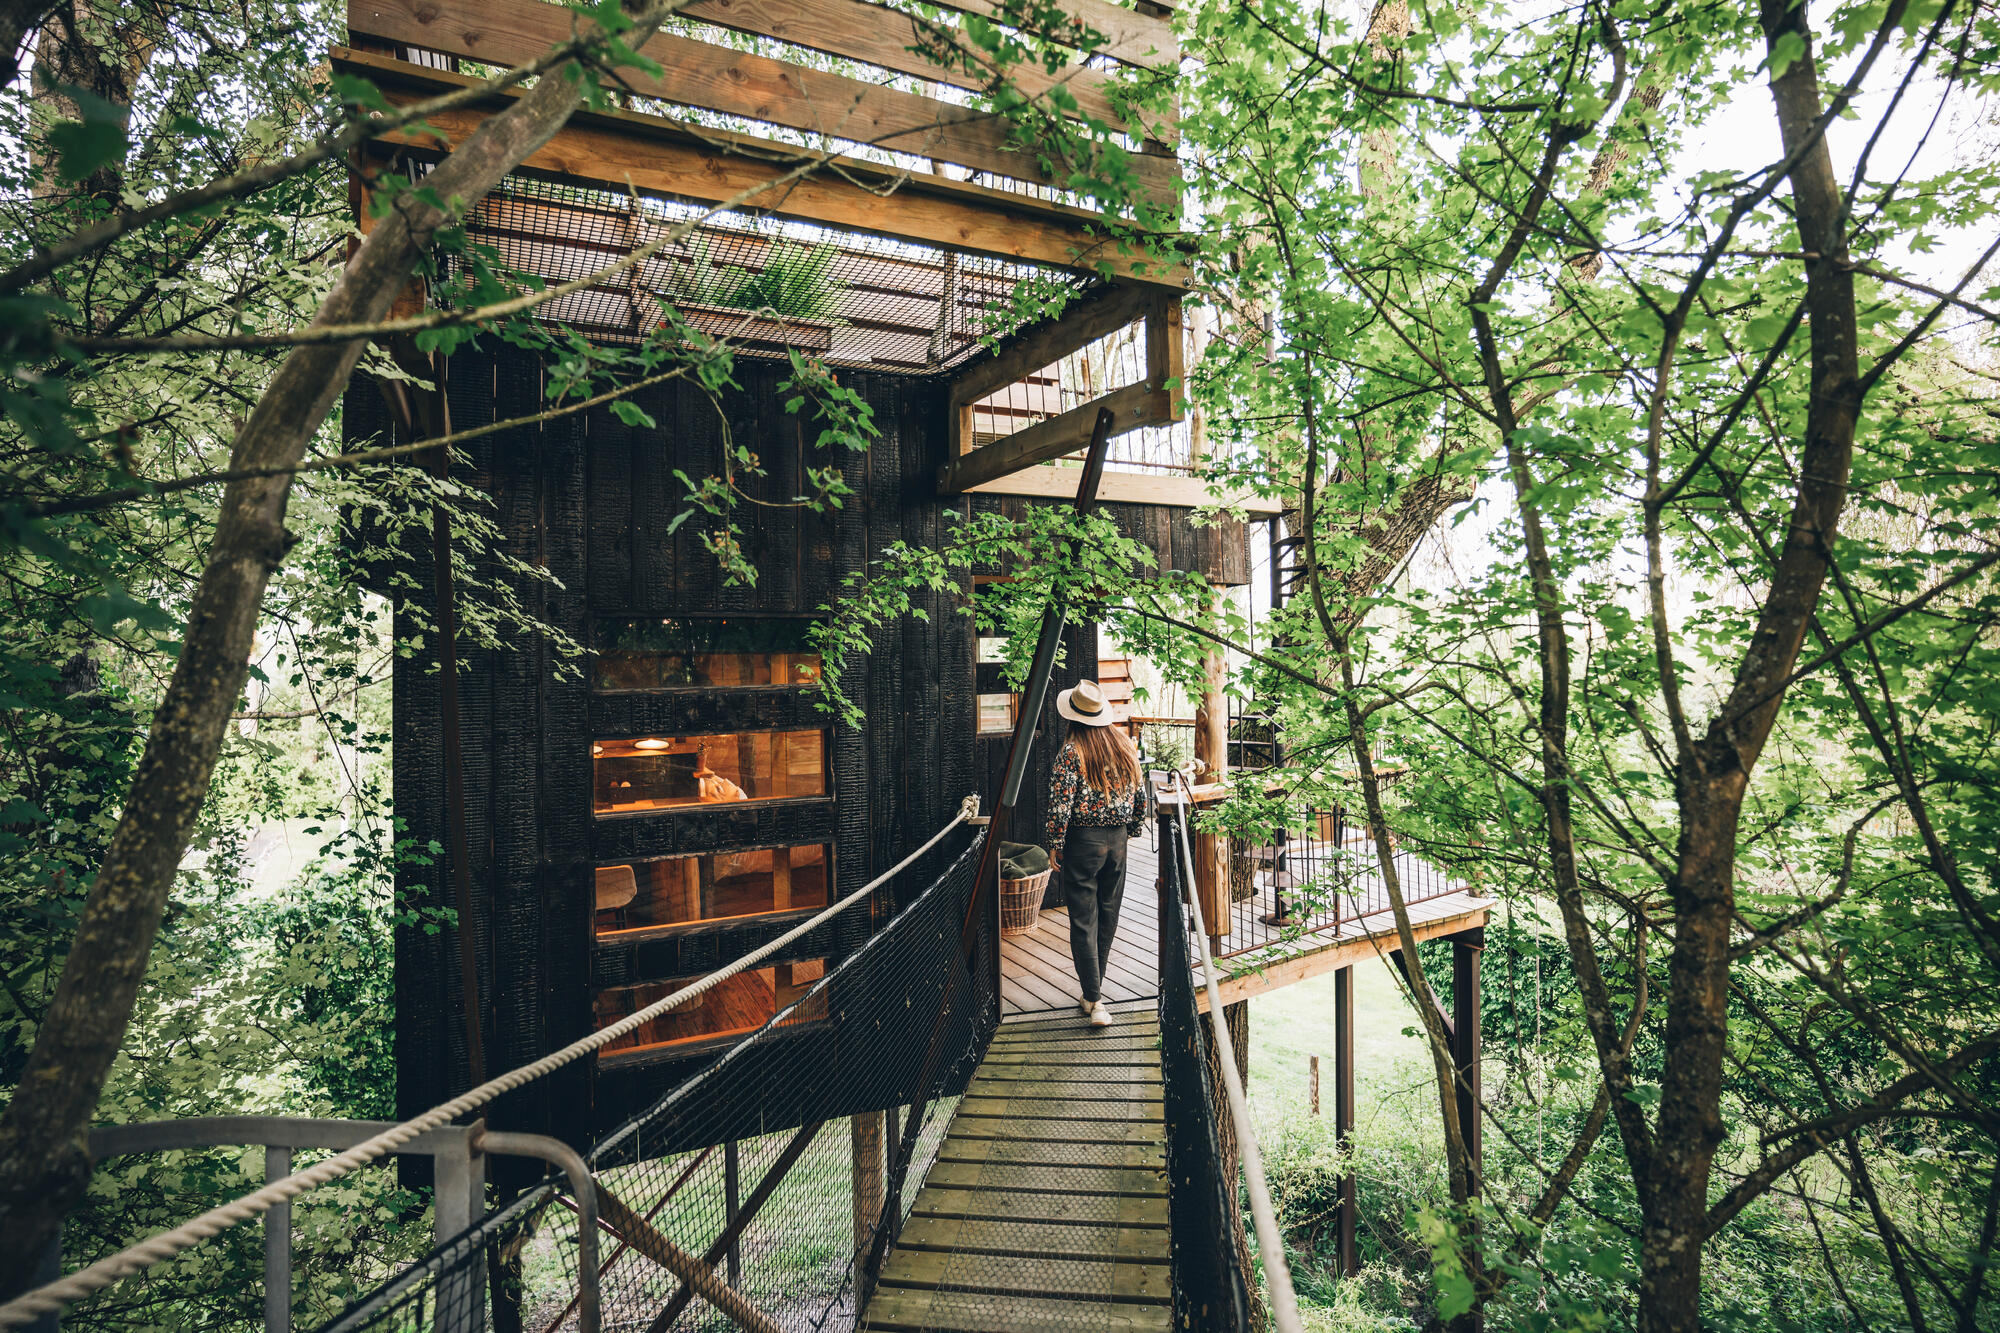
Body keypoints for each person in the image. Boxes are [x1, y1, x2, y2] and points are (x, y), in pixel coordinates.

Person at [1046, 680, 1148, 1027]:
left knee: (1083, 921)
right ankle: (1094, 996)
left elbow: (1061, 804)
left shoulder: (1072, 752)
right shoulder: (1125, 746)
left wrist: (1055, 843)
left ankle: (1095, 999)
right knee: (1108, 916)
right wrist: (1130, 831)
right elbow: (1140, 797)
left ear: (1073, 716)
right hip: (1117, 843)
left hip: (1083, 843)